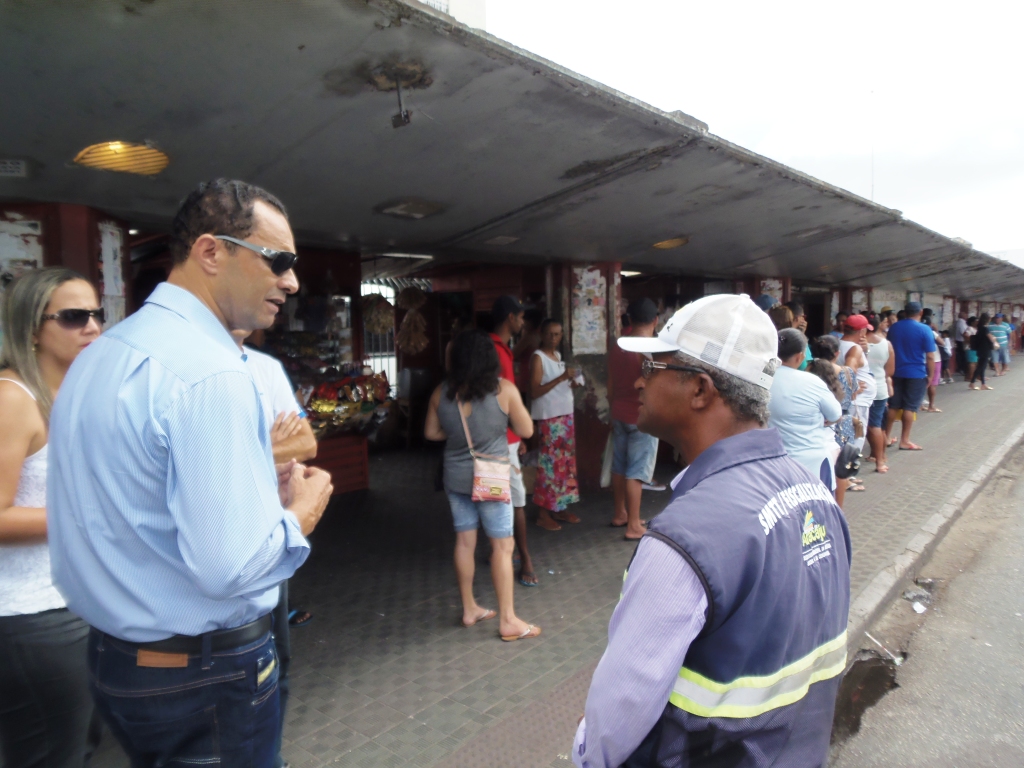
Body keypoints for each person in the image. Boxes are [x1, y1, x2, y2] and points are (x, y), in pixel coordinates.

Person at [47, 179, 334, 768]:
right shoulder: (212, 374)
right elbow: (231, 568)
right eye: (278, 260)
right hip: (200, 674)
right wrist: (298, 514)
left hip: (118, 658)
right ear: (211, 251)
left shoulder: (103, 353)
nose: (292, 281)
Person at [572, 293, 851, 768]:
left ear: (700, 389)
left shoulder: (684, 540)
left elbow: (616, 717)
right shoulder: (817, 495)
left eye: (652, 367)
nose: (639, 382)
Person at [0, 268, 103, 768]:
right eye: (74, 317)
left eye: (96, 315)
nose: (92, 327)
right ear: (31, 327)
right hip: (29, 615)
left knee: (76, 745)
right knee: (48, 753)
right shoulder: (11, 399)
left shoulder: (67, 395)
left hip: (70, 602)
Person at [233, 330, 317, 768]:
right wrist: (267, 443)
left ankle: (272, 756)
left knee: (275, 662)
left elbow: (306, 443)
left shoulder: (265, 368)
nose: (286, 284)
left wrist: (243, 449)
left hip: (269, 538)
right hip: (214, 559)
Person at [424, 330, 541, 641]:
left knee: (464, 542)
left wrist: (460, 437)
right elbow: (526, 429)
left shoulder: (441, 393)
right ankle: (508, 620)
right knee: (502, 547)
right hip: (490, 477)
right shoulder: (504, 390)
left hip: (456, 477)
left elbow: (432, 434)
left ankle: (469, 608)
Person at [489, 295, 537, 585]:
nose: (522, 322)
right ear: (510, 317)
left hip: (506, 436)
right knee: (514, 499)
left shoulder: (503, 348)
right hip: (500, 439)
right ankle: (524, 557)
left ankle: (511, 553)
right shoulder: (494, 350)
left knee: (504, 498)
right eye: (520, 317)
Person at [608, 298, 660, 541]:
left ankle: (620, 513)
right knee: (636, 472)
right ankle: (633, 526)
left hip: (618, 411)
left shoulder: (619, 344)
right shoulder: (650, 347)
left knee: (619, 466)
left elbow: (609, 381)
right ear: (655, 320)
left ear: (630, 319)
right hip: (640, 415)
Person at [768, 329, 842, 490]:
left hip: (773, 466)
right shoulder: (812, 381)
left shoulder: (761, 381)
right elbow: (835, 414)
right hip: (813, 465)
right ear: (800, 356)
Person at [529, 319, 581, 529]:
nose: (554, 338)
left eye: (558, 334)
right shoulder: (538, 358)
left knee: (565, 466)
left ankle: (559, 508)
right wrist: (561, 378)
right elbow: (534, 391)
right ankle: (543, 513)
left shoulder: (557, 357)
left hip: (564, 417)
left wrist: (572, 381)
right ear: (542, 334)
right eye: (550, 334)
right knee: (549, 466)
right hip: (549, 419)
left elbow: (557, 385)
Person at [809, 335, 860, 505]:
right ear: (837, 353)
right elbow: (853, 394)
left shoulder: (809, 372)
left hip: (819, 423)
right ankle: (839, 508)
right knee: (840, 470)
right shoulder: (847, 372)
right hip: (843, 422)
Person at [884, 301, 936, 451]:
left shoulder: (894, 328)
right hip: (916, 373)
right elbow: (930, 356)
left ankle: (886, 437)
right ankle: (904, 440)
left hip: (895, 372)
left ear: (905, 312)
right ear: (920, 313)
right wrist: (931, 375)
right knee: (910, 407)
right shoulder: (925, 329)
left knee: (894, 405)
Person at [838, 315, 876, 459]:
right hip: (857, 401)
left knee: (849, 434)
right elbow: (849, 368)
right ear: (861, 331)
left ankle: (845, 474)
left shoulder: (839, 344)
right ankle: (847, 475)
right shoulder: (854, 349)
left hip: (854, 400)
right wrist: (852, 388)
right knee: (856, 435)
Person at [865, 317, 896, 473]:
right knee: (878, 425)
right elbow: (890, 371)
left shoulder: (857, 344)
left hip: (862, 390)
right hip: (880, 388)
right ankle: (880, 457)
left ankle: (879, 460)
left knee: (871, 426)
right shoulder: (887, 344)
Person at [969, 312, 997, 391]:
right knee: (981, 366)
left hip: (980, 349)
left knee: (983, 367)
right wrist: (994, 340)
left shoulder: (979, 328)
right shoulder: (985, 329)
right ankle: (972, 382)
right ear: (987, 319)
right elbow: (990, 338)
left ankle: (983, 384)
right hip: (985, 350)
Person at [921, 317, 943, 412]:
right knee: (932, 384)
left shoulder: (918, 332)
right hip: (934, 360)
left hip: (921, 360)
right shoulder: (931, 332)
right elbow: (942, 343)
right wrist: (936, 330)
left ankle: (920, 405)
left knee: (921, 384)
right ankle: (931, 406)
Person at [954, 309, 969, 377]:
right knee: (963, 356)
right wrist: (968, 340)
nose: (966, 316)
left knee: (961, 355)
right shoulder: (962, 323)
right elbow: (964, 333)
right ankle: (963, 369)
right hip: (962, 341)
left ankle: (962, 368)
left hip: (959, 341)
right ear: (962, 316)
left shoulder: (960, 322)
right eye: (965, 315)